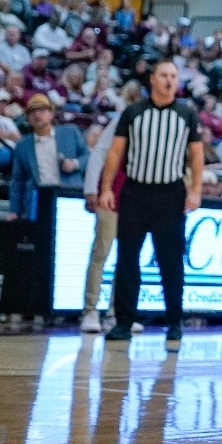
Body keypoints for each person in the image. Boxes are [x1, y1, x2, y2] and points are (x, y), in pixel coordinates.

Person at [99, 60, 204, 350]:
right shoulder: (133, 112)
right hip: (135, 193)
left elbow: (196, 154)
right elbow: (115, 152)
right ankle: (123, 322)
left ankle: (174, 322)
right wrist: (106, 188)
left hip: (170, 195)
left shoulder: (186, 113)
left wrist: (196, 190)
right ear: (153, 79)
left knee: (171, 262)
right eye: (164, 75)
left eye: (173, 75)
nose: (169, 80)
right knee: (127, 259)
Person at [80, 82, 146, 335]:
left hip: (136, 201)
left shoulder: (153, 130)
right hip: (112, 196)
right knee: (101, 254)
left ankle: (117, 314)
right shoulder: (122, 120)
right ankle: (90, 311)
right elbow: (99, 152)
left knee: (128, 259)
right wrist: (91, 189)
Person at [7, 93, 87, 221]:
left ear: (51, 114)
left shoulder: (70, 132)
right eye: (32, 112)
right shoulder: (22, 145)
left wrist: (75, 163)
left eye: (42, 110)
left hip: (68, 194)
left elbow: (88, 156)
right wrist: (14, 210)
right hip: (38, 197)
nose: (37, 115)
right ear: (28, 118)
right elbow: (18, 179)